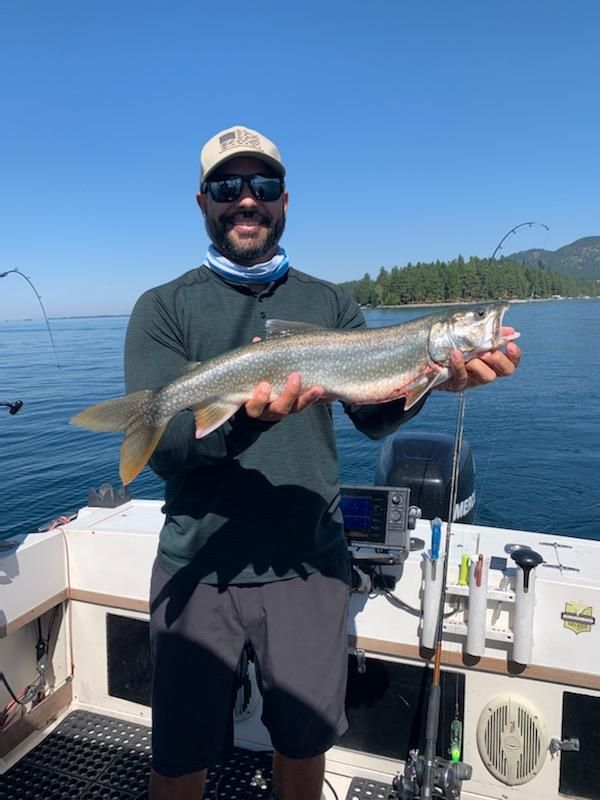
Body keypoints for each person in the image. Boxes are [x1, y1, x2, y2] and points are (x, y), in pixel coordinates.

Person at [124, 125, 521, 800]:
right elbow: (165, 455)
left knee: (305, 745)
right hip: (198, 565)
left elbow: (372, 415)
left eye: (264, 185)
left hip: (309, 563)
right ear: (203, 202)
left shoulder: (331, 303)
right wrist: (249, 416)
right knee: (179, 753)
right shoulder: (162, 308)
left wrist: (433, 382)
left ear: (284, 200)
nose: (246, 200)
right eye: (228, 187)